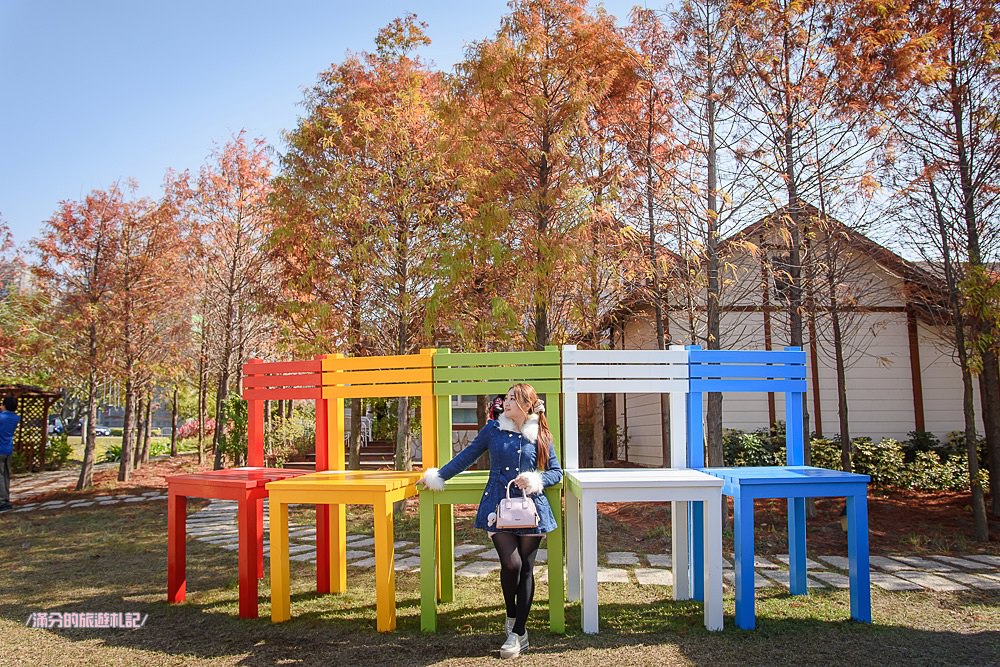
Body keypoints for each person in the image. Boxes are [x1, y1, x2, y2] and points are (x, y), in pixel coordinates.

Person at [420, 383, 562, 659]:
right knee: (512, 564)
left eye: (512, 398)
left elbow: (556, 472)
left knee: (527, 568)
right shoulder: (493, 430)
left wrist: (536, 479)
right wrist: (436, 477)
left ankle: (518, 632)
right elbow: (465, 457)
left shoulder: (541, 434)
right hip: (498, 505)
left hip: (531, 508)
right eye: (506, 398)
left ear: (526, 404)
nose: (505, 402)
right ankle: (512, 618)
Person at [0, 395, 21, 512]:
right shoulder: (15, 417)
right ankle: (5, 499)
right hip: (8, 449)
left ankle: (2, 502)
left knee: (0, 476)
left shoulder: (1, 417)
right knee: (6, 476)